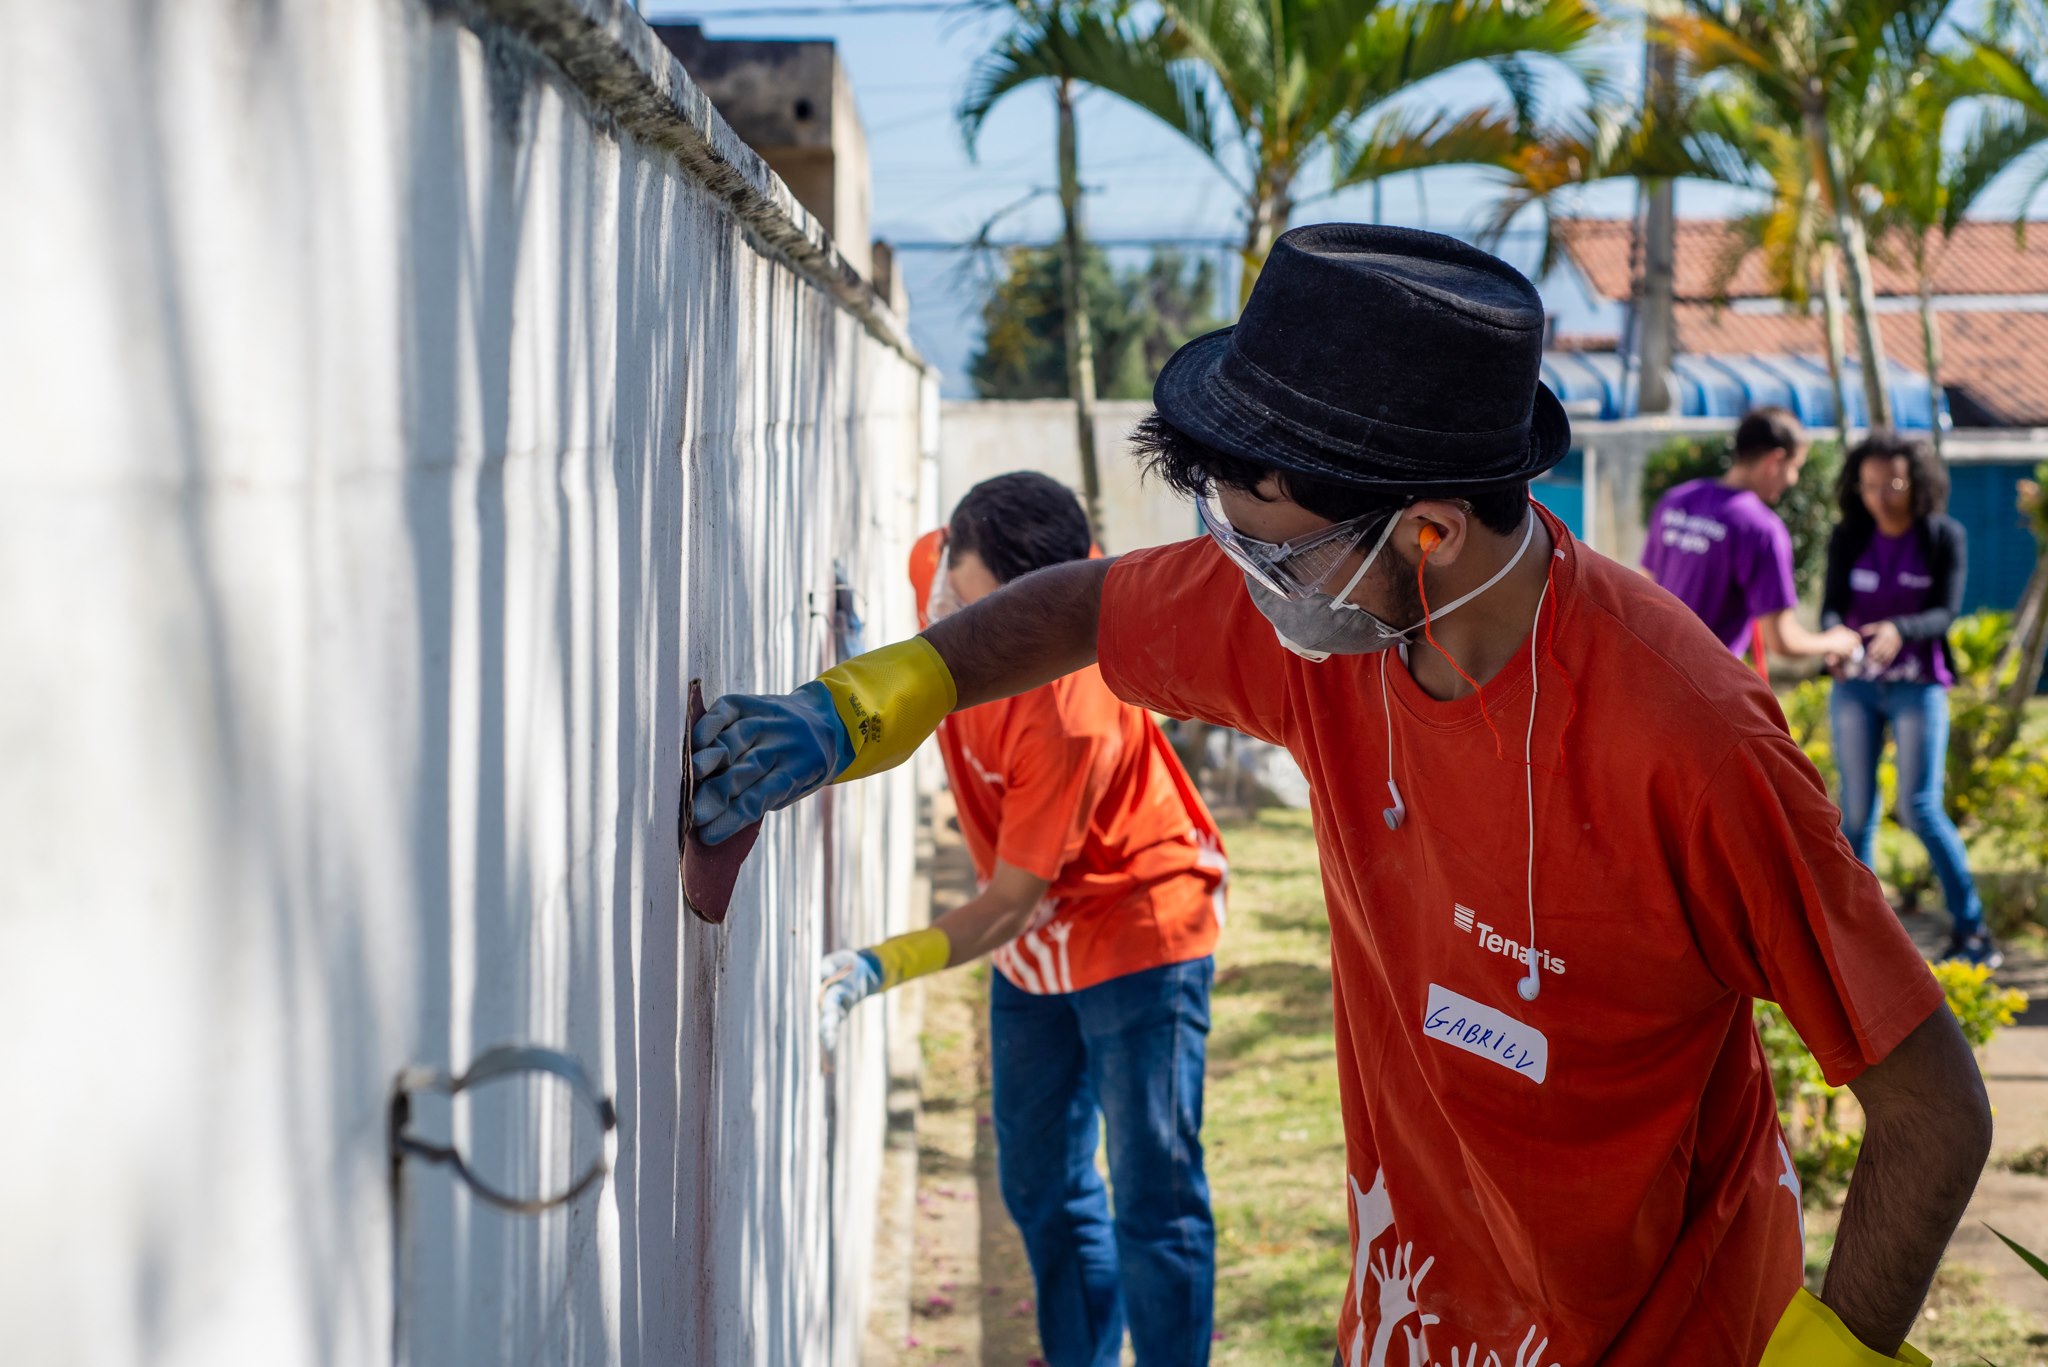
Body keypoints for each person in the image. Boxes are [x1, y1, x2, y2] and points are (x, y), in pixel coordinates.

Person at [690, 225, 1988, 1367]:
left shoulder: (1691, 745)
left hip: (1658, 1331)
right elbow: (1085, 604)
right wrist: (862, 706)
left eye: (1271, 547)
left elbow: (1934, 1103)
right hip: (1415, 1309)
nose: (1242, 579)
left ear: (1428, 530)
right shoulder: (1335, 617)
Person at [813, 471, 1228, 1367]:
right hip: (1037, 947)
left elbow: (1008, 903)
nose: (981, 640)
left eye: (1009, 625)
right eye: (969, 608)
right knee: (1040, 1182)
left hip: (1135, 923)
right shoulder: (946, 561)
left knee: (1153, 1198)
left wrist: (878, 965)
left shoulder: (1067, 710)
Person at [1823, 433, 1995, 966]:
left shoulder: (1943, 536)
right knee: (1856, 813)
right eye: (1870, 485)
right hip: (1855, 686)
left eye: (1893, 483)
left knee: (1920, 808)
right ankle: (1868, 942)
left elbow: (1946, 611)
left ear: (1917, 483)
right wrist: (1835, 641)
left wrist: (1900, 627)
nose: (1881, 495)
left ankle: (1973, 932)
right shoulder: (1848, 536)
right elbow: (1831, 610)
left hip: (1919, 684)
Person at [1642, 406, 1864, 670]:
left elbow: (1644, 585)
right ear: (1774, 461)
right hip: (1704, 683)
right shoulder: (1762, 529)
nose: (1793, 480)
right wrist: (1833, 642)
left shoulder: (1676, 501)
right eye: (1794, 467)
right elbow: (1782, 640)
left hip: (1652, 668)